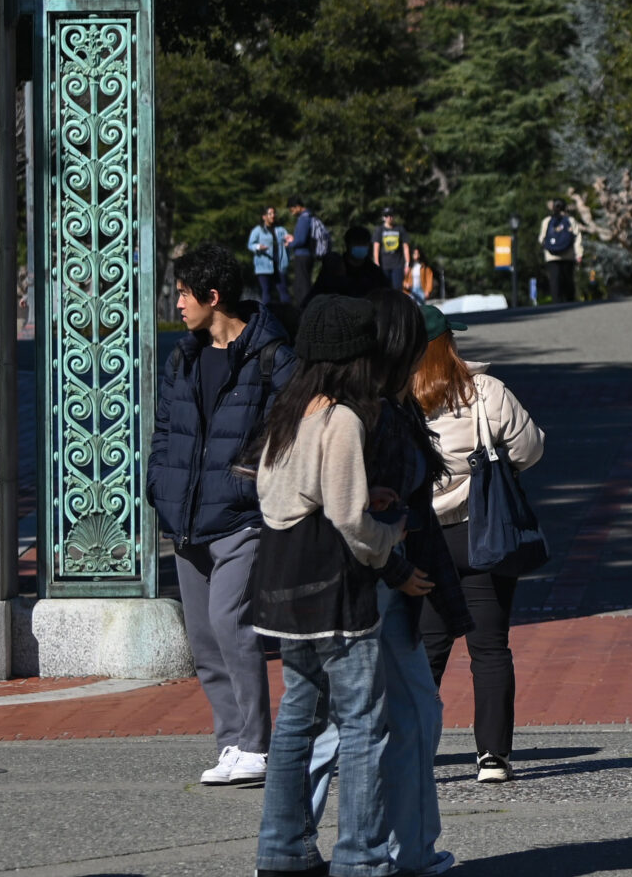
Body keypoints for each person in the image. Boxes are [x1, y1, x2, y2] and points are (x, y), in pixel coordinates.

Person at [250, 293, 407, 877]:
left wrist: (362, 499)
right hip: (333, 588)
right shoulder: (341, 418)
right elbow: (348, 519)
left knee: (298, 712)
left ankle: (282, 847)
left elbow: (276, 495)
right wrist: (387, 537)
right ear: (354, 359)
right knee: (364, 722)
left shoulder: (290, 410)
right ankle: (361, 856)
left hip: (282, 582)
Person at [148, 243, 298, 788]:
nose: (178, 302)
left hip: (240, 518)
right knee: (204, 637)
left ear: (213, 297)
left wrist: (247, 481)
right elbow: (165, 430)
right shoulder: (182, 356)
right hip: (186, 518)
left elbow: (289, 430)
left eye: (184, 293)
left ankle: (257, 745)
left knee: (231, 622)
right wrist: (157, 485)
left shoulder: (272, 355)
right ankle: (231, 742)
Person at [364, 289, 473, 876]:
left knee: (402, 719)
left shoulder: (385, 403)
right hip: (383, 585)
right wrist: (399, 565)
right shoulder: (372, 409)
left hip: (397, 578)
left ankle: (403, 847)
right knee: (387, 723)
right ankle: (385, 851)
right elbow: (344, 509)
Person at [412, 316, 547, 784]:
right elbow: (530, 448)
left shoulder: (398, 398)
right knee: (489, 648)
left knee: (428, 646)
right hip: (483, 529)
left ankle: (414, 747)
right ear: (447, 344)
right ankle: (492, 755)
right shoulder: (484, 391)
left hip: (427, 537)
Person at [316, 223, 388, 298]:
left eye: (363, 243)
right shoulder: (335, 268)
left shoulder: (375, 272)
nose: (360, 245)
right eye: (357, 242)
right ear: (348, 245)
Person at [538, 201, 578, 306]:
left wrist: (549, 246)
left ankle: (556, 303)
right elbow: (577, 237)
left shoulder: (547, 221)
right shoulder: (570, 220)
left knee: (554, 280)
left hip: (552, 256)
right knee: (568, 279)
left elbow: (541, 239)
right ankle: (570, 302)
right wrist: (579, 253)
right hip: (568, 255)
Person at [286, 198, 318, 328]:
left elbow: (301, 240)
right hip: (306, 255)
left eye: (292, 209)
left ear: (298, 206)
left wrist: (291, 243)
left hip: (303, 256)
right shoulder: (308, 217)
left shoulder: (304, 219)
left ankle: (304, 310)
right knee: (302, 282)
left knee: (303, 284)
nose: (292, 212)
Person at [250, 207, 286, 313]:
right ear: (264, 217)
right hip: (263, 265)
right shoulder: (258, 230)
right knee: (266, 291)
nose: (273, 215)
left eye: (274, 213)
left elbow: (287, 241)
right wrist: (258, 247)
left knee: (283, 290)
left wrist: (290, 240)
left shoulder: (280, 230)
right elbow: (250, 244)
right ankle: (267, 314)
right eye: (270, 214)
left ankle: (288, 313)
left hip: (278, 264)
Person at [375, 212, 417, 302]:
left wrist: (407, 263)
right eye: (386, 215)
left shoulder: (400, 229)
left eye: (391, 215)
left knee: (398, 290)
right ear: (383, 217)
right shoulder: (380, 230)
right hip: (384, 265)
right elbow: (376, 247)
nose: (389, 217)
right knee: (384, 290)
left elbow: (405, 247)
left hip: (397, 264)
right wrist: (376, 262)